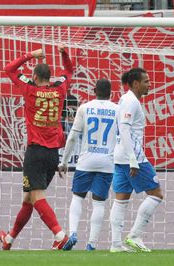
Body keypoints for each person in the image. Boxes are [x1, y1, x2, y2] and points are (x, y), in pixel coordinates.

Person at [0, 44, 73, 250]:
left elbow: (9, 69)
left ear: (35, 76)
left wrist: (31, 55)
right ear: (50, 77)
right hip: (53, 154)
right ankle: (9, 239)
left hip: (35, 151)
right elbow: (69, 71)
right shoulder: (60, 89)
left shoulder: (30, 89)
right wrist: (64, 54)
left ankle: (60, 235)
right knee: (29, 198)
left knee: (37, 196)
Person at [57, 79, 119, 251]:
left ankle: (74, 233)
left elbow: (72, 137)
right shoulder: (117, 110)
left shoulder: (84, 108)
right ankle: (91, 244)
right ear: (111, 93)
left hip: (86, 161)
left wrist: (63, 161)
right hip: (107, 162)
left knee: (77, 198)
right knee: (99, 203)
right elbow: (123, 138)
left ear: (94, 90)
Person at [109, 68, 163, 253]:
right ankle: (134, 235)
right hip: (133, 157)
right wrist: (133, 160)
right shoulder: (131, 101)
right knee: (156, 194)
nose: (150, 84)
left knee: (121, 199)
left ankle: (116, 245)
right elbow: (124, 129)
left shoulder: (125, 99)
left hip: (120, 155)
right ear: (135, 84)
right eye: (146, 81)